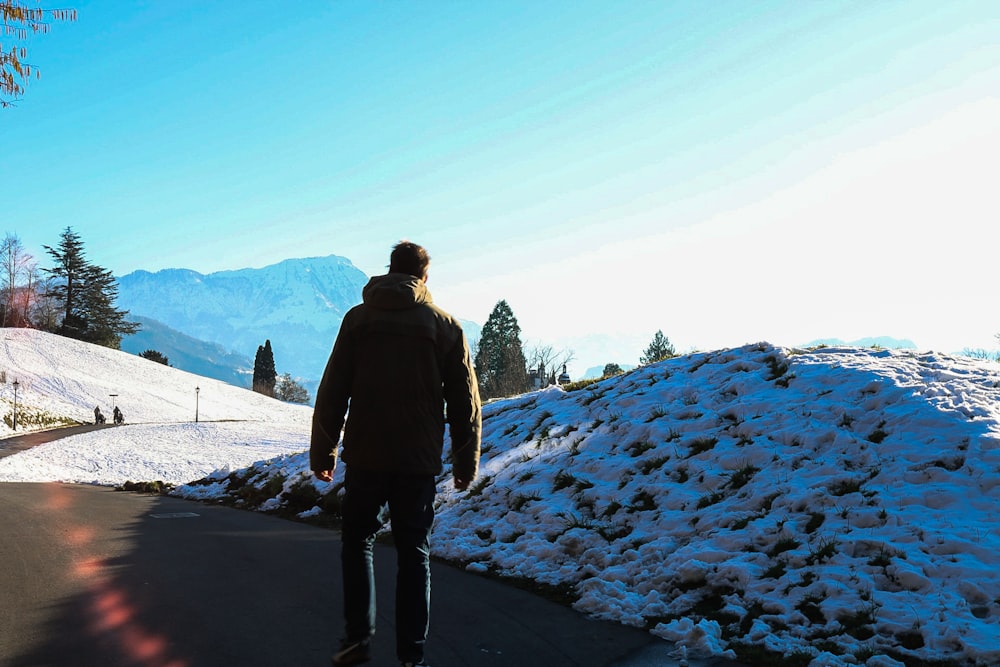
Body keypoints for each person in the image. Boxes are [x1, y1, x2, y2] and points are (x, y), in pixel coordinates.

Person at [311, 241, 481, 667]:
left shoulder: (358, 319)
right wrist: (465, 462)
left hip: (366, 455)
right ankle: (411, 655)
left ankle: (357, 637)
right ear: (424, 277)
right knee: (414, 551)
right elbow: (466, 404)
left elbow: (334, 389)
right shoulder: (444, 325)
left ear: (390, 270)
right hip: (417, 461)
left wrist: (324, 451)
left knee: (358, 541)